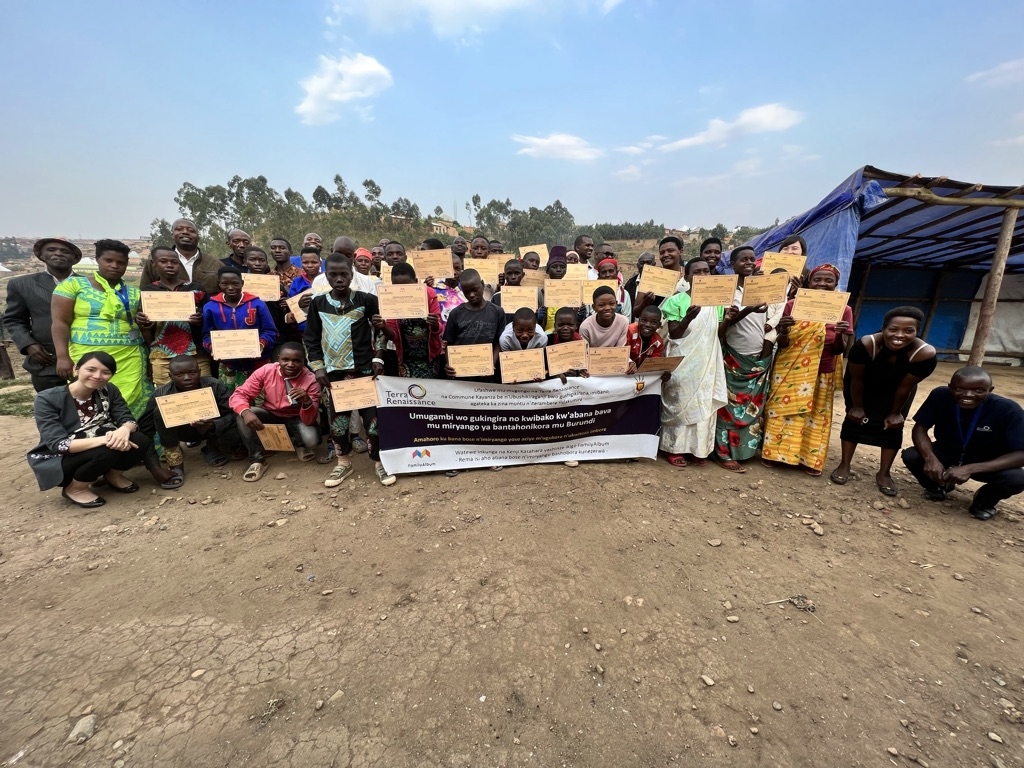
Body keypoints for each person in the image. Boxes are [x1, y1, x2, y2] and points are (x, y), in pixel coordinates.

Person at [304, 254, 396, 487]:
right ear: (326, 276)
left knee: (372, 422)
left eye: (343, 274)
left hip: (365, 371)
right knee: (338, 422)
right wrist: (318, 367)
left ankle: (379, 462)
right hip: (334, 374)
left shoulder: (366, 300)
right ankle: (343, 462)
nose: (339, 279)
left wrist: (379, 357)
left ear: (351, 274)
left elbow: (381, 330)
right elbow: (311, 338)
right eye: (333, 274)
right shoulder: (318, 303)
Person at [830, 306, 937, 495]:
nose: (900, 335)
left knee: (893, 426)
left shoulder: (924, 354)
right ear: (884, 329)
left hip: (899, 389)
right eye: (893, 329)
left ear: (917, 332)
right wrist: (857, 406)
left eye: (908, 331)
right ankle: (844, 465)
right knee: (854, 420)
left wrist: (895, 412)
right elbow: (857, 379)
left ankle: (884, 473)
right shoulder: (866, 345)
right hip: (862, 385)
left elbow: (905, 387)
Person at [761, 264, 853, 476]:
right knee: (782, 411)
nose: (822, 284)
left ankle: (808, 459)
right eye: (817, 279)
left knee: (815, 416)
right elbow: (783, 344)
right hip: (789, 369)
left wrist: (839, 333)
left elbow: (840, 349)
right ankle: (774, 454)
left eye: (828, 280)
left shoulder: (843, 309)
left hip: (822, 371)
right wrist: (784, 330)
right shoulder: (793, 305)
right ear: (809, 282)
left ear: (836, 284)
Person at [27, 351, 150, 508]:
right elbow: (59, 444)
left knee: (140, 440)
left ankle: (113, 476)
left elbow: (127, 418)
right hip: (61, 458)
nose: (98, 376)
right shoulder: (47, 399)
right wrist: (107, 439)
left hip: (98, 445)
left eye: (105, 372)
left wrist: (124, 429)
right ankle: (75, 488)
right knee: (107, 449)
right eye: (91, 369)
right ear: (76, 369)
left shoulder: (109, 390)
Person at [901, 366, 1024, 520]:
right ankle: (939, 486)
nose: (968, 395)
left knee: (1017, 478)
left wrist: (970, 468)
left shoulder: (1009, 410)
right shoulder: (940, 396)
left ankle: (983, 501)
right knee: (912, 456)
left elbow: (1021, 454)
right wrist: (931, 459)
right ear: (950, 387)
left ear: (990, 390)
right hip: (948, 453)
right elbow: (920, 428)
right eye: (959, 389)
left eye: (979, 390)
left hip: (987, 461)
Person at [52, 239, 153, 418]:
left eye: (121, 262)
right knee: (89, 396)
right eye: (109, 260)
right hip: (87, 356)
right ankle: (96, 433)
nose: (115, 266)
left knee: (133, 399)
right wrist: (62, 356)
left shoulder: (134, 293)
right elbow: (60, 322)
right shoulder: (73, 286)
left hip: (129, 357)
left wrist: (145, 323)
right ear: (97, 259)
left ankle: (130, 430)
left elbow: (143, 325)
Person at [713, 246, 785, 473]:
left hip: (759, 357)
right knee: (727, 407)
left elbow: (776, 315)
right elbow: (724, 326)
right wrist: (749, 309)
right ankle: (723, 453)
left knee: (752, 408)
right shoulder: (727, 290)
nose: (749, 263)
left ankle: (744, 452)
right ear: (732, 264)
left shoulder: (763, 288)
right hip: (734, 357)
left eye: (752, 259)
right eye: (743, 259)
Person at [659, 257, 727, 468]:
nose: (702, 275)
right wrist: (688, 317)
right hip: (684, 360)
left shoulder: (717, 302)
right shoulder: (676, 301)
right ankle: (675, 448)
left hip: (707, 359)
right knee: (680, 399)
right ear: (687, 277)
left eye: (706, 271)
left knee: (704, 402)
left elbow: (717, 333)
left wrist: (730, 319)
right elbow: (674, 334)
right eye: (697, 272)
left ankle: (699, 449)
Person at [138, 355, 236, 487]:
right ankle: (175, 463)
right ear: (171, 376)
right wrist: (154, 468)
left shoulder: (214, 385)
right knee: (159, 410)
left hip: (212, 429)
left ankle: (212, 447)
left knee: (237, 429)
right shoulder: (161, 394)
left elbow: (234, 413)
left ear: (199, 372)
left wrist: (214, 424)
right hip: (181, 432)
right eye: (179, 375)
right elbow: (145, 431)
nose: (187, 378)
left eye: (192, 373)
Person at [230, 343, 322, 482]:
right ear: (278, 359)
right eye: (285, 359)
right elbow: (239, 394)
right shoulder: (266, 370)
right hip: (271, 414)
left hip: (297, 417)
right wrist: (245, 412)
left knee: (312, 440)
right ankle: (257, 460)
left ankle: (300, 444)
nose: (290, 364)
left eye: (296, 361)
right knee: (243, 414)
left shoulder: (311, 380)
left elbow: (309, 419)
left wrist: (307, 401)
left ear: (304, 361)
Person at [3, 236, 83, 391]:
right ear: (41, 255)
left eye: (65, 251)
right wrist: (28, 344)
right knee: (51, 404)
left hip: (86, 359)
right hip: (46, 360)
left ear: (75, 258)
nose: (58, 253)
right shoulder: (22, 284)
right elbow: (14, 320)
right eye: (51, 250)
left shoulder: (90, 285)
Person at [137, 246, 210, 386]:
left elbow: (209, 320)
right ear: (154, 264)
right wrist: (143, 322)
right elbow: (145, 326)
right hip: (162, 355)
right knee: (166, 393)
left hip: (196, 354)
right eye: (163, 261)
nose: (169, 265)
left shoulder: (195, 289)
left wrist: (200, 319)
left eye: (174, 262)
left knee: (203, 392)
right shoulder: (149, 291)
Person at [202, 267, 277, 390]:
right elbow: (206, 336)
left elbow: (270, 331)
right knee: (231, 398)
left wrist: (261, 344)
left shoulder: (258, 304)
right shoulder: (210, 307)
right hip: (228, 366)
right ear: (219, 284)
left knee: (262, 399)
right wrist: (212, 347)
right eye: (225, 284)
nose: (230, 287)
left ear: (242, 283)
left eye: (235, 283)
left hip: (258, 364)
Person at [380, 262, 443, 378]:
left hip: (429, 357)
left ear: (416, 281)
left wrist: (434, 323)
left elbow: (439, 328)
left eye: (407, 286)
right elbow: (394, 336)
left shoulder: (429, 294)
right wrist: (383, 327)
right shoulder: (392, 298)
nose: (403, 290)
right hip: (406, 358)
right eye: (398, 287)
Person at [443, 269, 506, 381]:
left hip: (486, 375)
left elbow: (499, 342)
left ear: (482, 284)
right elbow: (449, 344)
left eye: (475, 290)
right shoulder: (456, 314)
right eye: (467, 292)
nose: (471, 295)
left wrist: (493, 363)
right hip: (461, 375)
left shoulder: (497, 312)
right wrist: (449, 364)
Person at [140, 218, 221, 294]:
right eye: (179, 229)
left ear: (198, 236)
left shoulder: (216, 264)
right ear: (172, 235)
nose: (185, 232)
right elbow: (145, 293)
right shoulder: (153, 263)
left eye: (191, 230)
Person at [580, 286, 630, 351]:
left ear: (616, 304)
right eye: (601, 305)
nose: (607, 308)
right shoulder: (585, 327)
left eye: (611, 304)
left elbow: (619, 350)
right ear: (594, 307)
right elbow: (585, 352)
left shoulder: (623, 322)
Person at [433, 252, 467, 323]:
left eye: (457, 269)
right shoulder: (435, 291)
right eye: (450, 269)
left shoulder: (466, 290)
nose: (454, 272)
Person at [491, 259, 527, 324]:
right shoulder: (497, 296)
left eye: (517, 273)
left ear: (523, 275)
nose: (513, 277)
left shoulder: (528, 295)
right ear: (504, 275)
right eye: (509, 273)